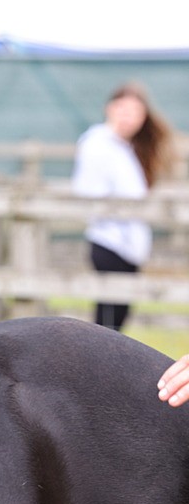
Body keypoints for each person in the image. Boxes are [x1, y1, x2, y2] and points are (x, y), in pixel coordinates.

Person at [71, 83, 174, 331]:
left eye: (135, 111)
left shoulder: (126, 149)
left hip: (129, 246)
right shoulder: (97, 144)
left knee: (118, 316)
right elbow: (89, 191)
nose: (129, 117)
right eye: (124, 109)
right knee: (107, 320)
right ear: (110, 109)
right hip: (109, 240)